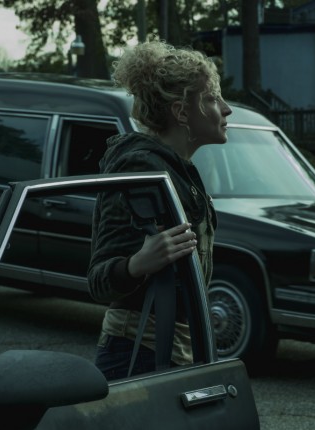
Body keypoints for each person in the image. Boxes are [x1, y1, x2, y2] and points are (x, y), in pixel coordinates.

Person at [87, 39, 232, 380]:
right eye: (212, 98)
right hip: (138, 351)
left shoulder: (177, 170)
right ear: (181, 112)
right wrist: (137, 264)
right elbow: (99, 281)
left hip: (176, 349)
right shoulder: (141, 169)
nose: (226, 109)